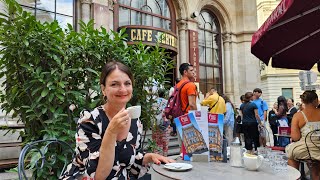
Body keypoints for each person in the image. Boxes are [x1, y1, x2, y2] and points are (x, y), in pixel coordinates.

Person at [60, 61, 174, 180]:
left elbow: (128, 159)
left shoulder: (135, 121)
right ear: (103, 89)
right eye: (114, 84)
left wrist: (150, 157)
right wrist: (111, 132)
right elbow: (99, 175)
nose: (123, 89)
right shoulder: (90, 121)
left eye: (127, 83)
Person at [286, 91, 320, 179]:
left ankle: (295, 176)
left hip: (306, 149)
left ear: (303, 101)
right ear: (316, 100)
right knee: (316, 172)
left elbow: (295, 137)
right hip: (318, 149)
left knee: (291, 154)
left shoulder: (298, 116)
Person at [152, 89, 170, 157]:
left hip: (155, 124)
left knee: (156, 143)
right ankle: (164, 158)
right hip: (165, 125)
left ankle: (156, 159)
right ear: (164, 94)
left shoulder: (154, 102)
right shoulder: (167, 102)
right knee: (165, 143)